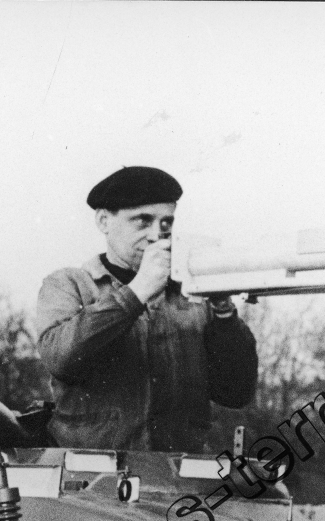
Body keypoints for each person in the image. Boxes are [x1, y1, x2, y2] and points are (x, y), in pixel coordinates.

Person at [36, 166, 258, 452]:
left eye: (166, 223)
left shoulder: (192, 296)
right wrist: (137, 292)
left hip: (177, 471)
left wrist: (224, 312)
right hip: (88, 470)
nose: (157, 235)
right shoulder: (69, 284)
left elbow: (235, 393)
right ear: (103, 221)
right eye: (142, 221)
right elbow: (62, 359)